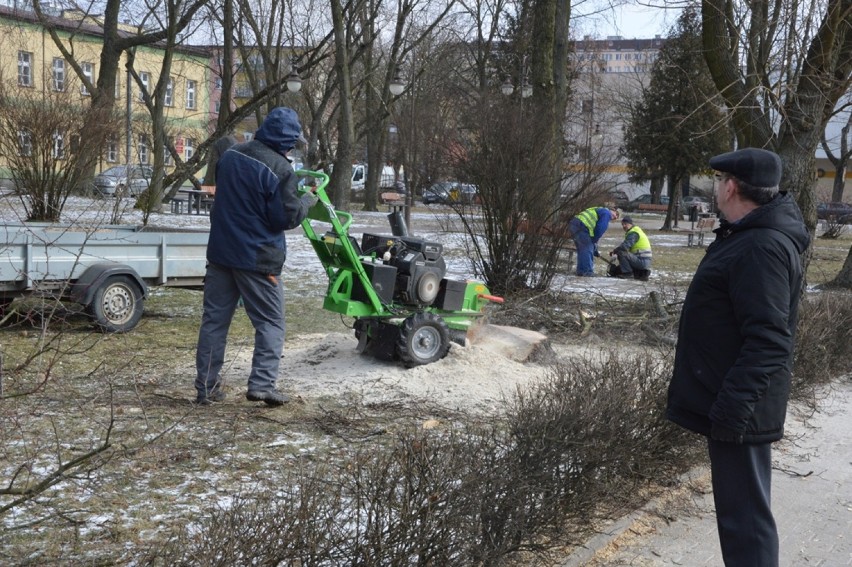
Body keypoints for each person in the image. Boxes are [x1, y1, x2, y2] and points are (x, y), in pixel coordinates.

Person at [667, 148, 809, 566]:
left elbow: (769, 340)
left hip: (739, 406)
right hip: (737, 401)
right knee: (742, 516)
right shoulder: (749, 237)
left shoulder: (759, 247)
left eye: (717, 182)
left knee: (745, 521)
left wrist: (732, 408)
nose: (715, 189)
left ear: (730, 187)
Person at [194, 107, 316, 406]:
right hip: (258, 258)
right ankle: (262, 384)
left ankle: (206, 389)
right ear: (288, 141)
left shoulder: (231, 156)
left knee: (214, 322)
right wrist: (307, 200)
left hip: (221, 253)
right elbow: (284, 219)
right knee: (271, 322)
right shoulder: (281, 170)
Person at [568, 206, 619, 276]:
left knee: (582, 249)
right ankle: (587, 272)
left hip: (576, 225)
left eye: (616, 218)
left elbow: (593, 232)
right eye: (616, 214)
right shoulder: (606, 213)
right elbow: (600, 229)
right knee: (587, 248)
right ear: (612, 210)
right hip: (582, 226)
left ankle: (581, 271)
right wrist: (593, 241)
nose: (615, 217)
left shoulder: (598, 209)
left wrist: (594, 246)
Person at [609, 215, 652, 280]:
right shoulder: (636, 231)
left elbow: (624, 247)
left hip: (642, 261)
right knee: (618, 269)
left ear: (630, 224)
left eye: (625, 224)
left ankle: (628, 274)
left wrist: (615, 251)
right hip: (642, 260)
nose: (623, 226)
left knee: (621, 252)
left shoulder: (633, 233)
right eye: (622, 224)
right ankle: (640, 274)